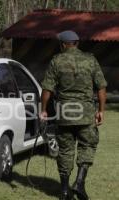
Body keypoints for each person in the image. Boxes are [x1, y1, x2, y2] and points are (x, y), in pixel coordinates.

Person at [40, 30, 107, 200]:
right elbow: (101, 87)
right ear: (77, 43)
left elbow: (47, 88)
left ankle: (64, 190)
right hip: (86, 113)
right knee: (88, 146)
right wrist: (101, 111)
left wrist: (43, 109)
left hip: (65, 114)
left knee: (65, 151)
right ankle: (79, 182)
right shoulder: (90, 59)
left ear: (63, 44)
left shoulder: (57, 60)